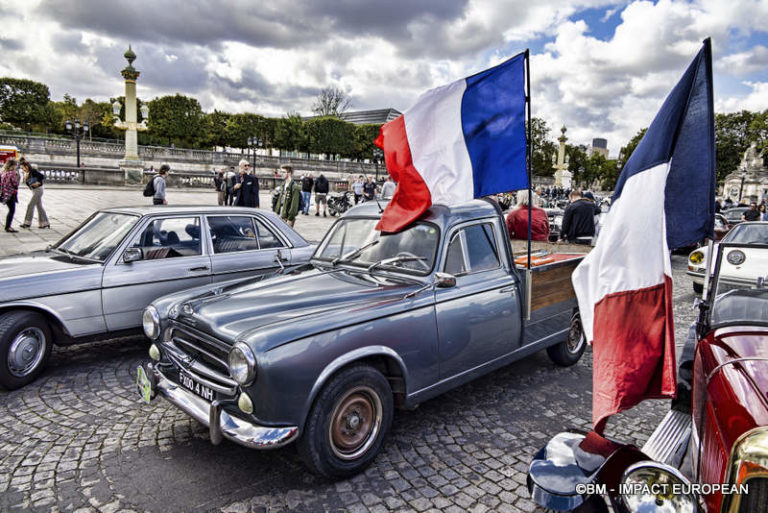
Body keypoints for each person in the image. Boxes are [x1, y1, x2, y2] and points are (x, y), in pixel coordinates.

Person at [19, 159, 49, 229]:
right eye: (21, 168)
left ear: (26, 166)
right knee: (39, 207)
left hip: (38, 190)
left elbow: (42, 176)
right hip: (35, 191)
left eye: (22, 168)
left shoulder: (33, 171)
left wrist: (38, 182)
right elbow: (29, 184)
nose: (22, 169)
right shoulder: (28, 173)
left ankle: (27, 223)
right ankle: (44, 223)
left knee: (30, 205)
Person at [1, 158, 20, 232]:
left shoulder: (3, 172)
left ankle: (8, 226)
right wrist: (17, 176)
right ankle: (8, 227)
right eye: (16, 165)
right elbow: (16, 184)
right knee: (12, 210)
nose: (16, 166)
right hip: (10, 194)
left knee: (10, 210)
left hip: (4, 193)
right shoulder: (12, 173)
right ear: (13, 165)